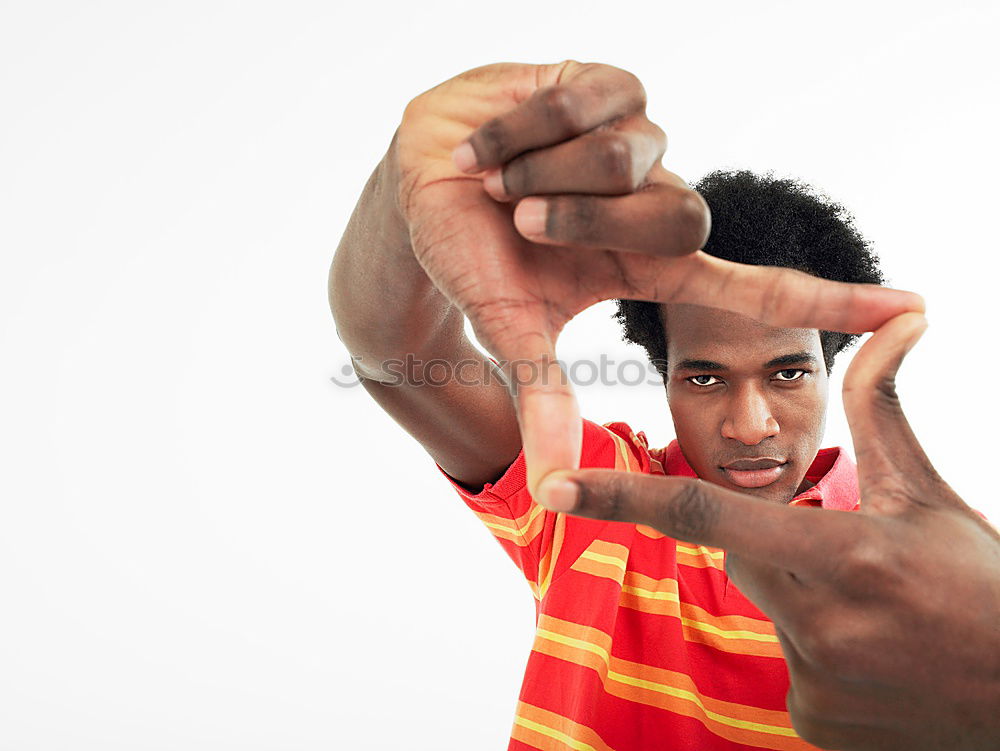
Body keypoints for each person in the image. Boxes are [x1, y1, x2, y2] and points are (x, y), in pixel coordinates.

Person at [329, 61, 999, 750]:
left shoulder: (935, 559)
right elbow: (392, 352)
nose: (750, 426)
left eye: (788, 372)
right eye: (706, 380)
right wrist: (407, 181)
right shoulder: (588, 494)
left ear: (831, 365)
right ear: (665, 374)